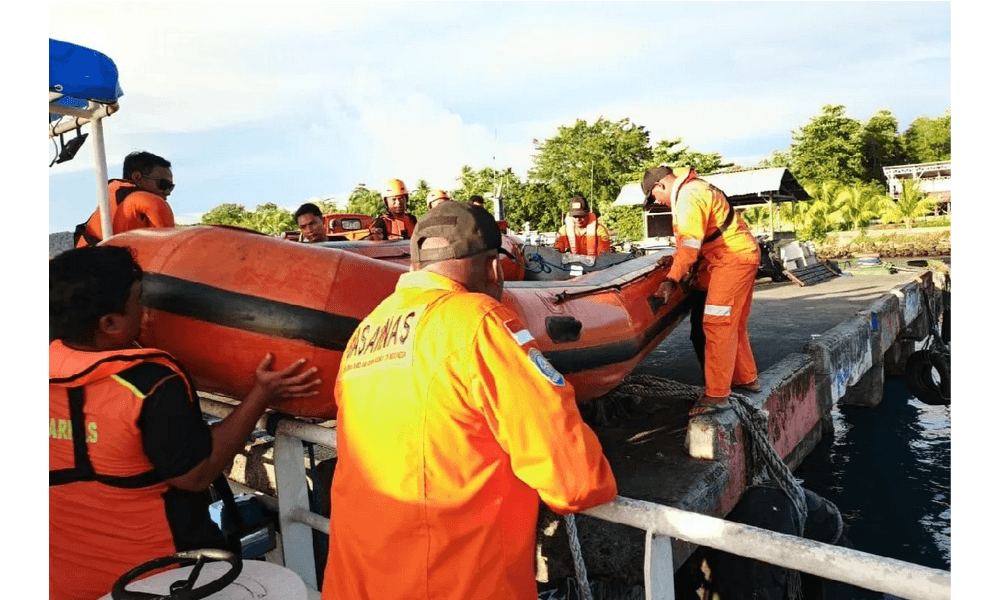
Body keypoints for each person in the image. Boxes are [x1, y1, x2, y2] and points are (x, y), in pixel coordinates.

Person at [323, 202, 617, 600]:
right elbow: (574, 482)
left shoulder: (366, 332)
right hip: (453, 585)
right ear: (495, 269)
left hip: (356, 584)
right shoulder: (479, 322)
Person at [49, 246, 321, 600]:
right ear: (111, 324)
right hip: (158, 577)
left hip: (62, 579)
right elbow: (196, 473)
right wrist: (260, 395)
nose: (147, 311)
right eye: (139, 301)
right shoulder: (150, 382)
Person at [642, 165, 761, 416]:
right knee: (734, 324)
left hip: (731, 260)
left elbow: (689, 245)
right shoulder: (696, 189)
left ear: (660, 185)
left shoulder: (687, 197)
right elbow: (699, 240)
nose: (660, 203)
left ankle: (717, 395)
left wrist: (671, 279)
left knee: (717, 324)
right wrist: (676, 260)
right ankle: (746, 378)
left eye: (655, 198)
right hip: (737, 256)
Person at [75, 151, 177, 248]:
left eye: (171, 187)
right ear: (137, 177)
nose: (167, 192)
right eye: (163, 184)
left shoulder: (117, 197)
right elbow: (156, 206)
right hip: (96, 262)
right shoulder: (137, 199)